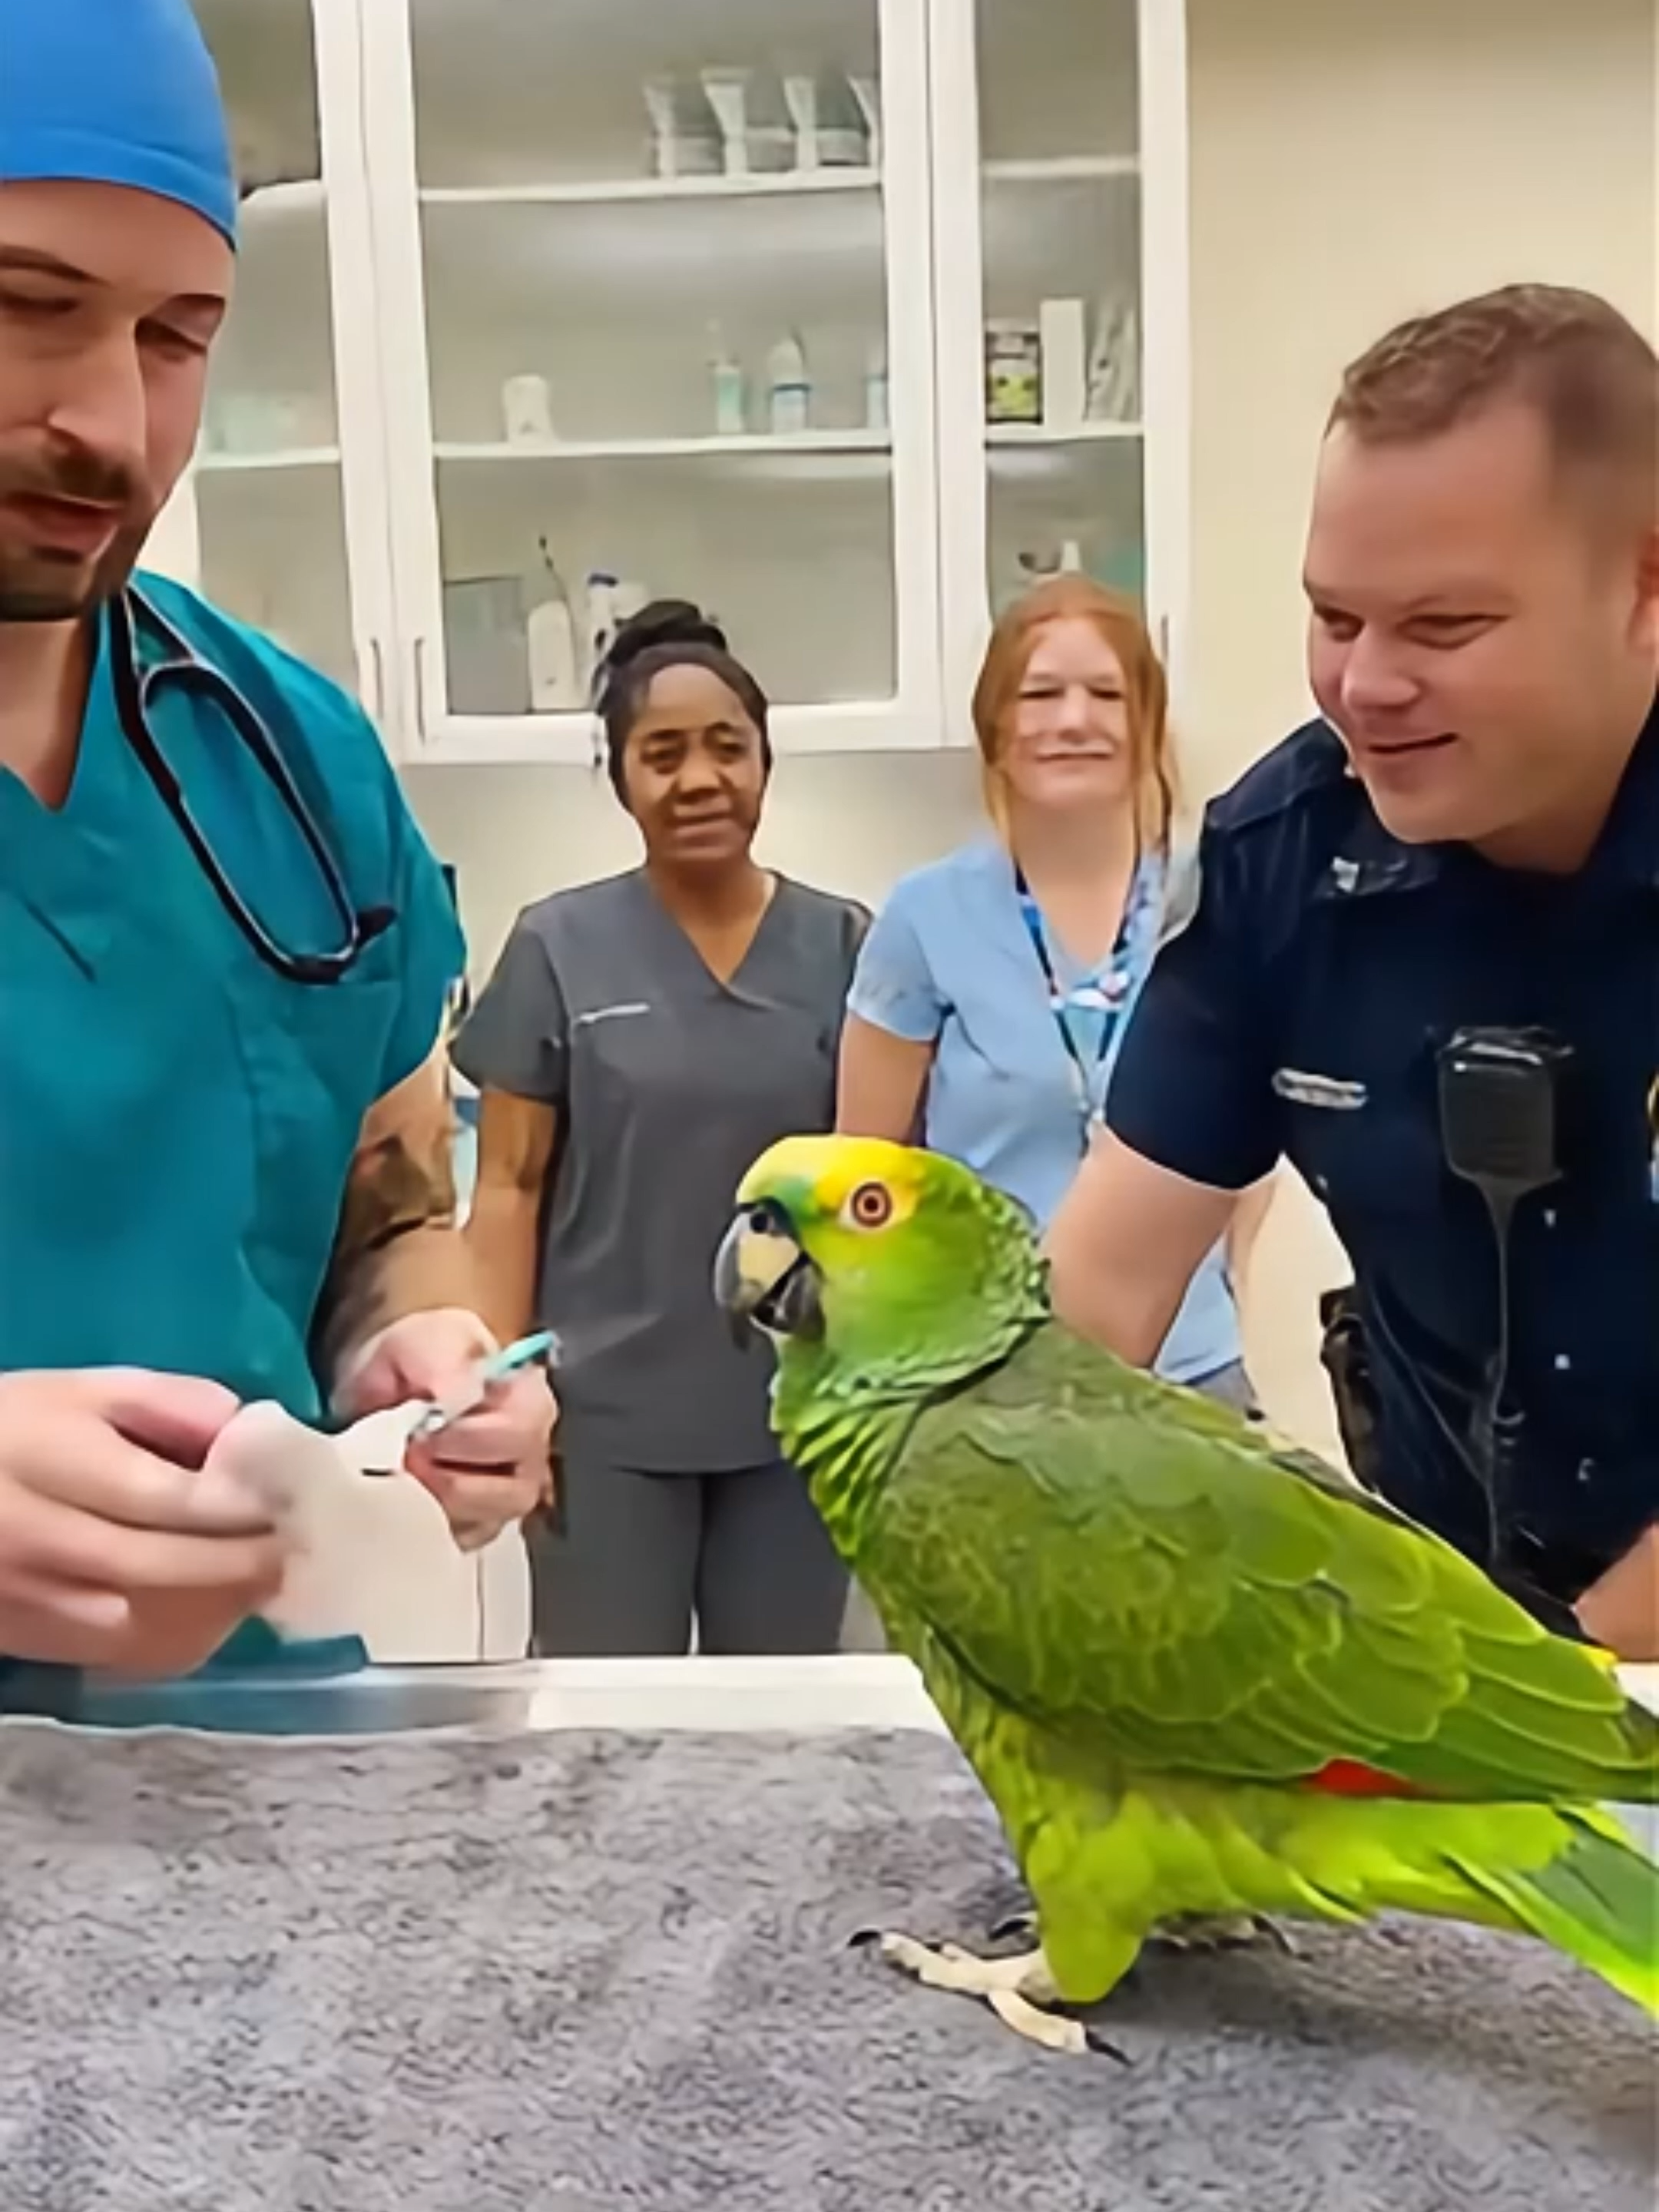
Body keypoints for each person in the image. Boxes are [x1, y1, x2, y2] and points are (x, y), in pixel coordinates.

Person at [0, 0, 554, 1681]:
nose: (114, 420)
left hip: (264, 1812)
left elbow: (386, 1217)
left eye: (178, 336)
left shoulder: (294, 764)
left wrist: (427, 1357)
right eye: (28, 308)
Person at [1046, 283, 1659, 1661]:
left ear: (1646, 589)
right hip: (1474, 1639)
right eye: (1335, 617)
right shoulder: (1286, 861)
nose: (1364, 686)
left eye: (1444, 629)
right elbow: (1092, 1309)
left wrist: (1532, 1696)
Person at [455, 601, 866, 1657]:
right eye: (663, 753)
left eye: (728, 748)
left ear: (766, 765)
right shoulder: (558, 947)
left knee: (779, 1741)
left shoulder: (844, 944)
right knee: (608, 1743)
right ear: (621, 776)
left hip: (798, 1424)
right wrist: (506, 1394)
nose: (699, 780)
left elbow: (881, 1191)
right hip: (602, 1430)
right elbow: (506, 1189)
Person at [838, 575, 1268, 1408]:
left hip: (1190, 1376)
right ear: (995, 726)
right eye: (1040, 693)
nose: (1074, 719)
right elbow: (863, 1174)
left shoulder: (1214, 896)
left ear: (1145, 721)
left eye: (1105, 693)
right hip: (988, 1382)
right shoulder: (926, 918)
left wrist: (1230, 1281)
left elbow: (1255, 1143)